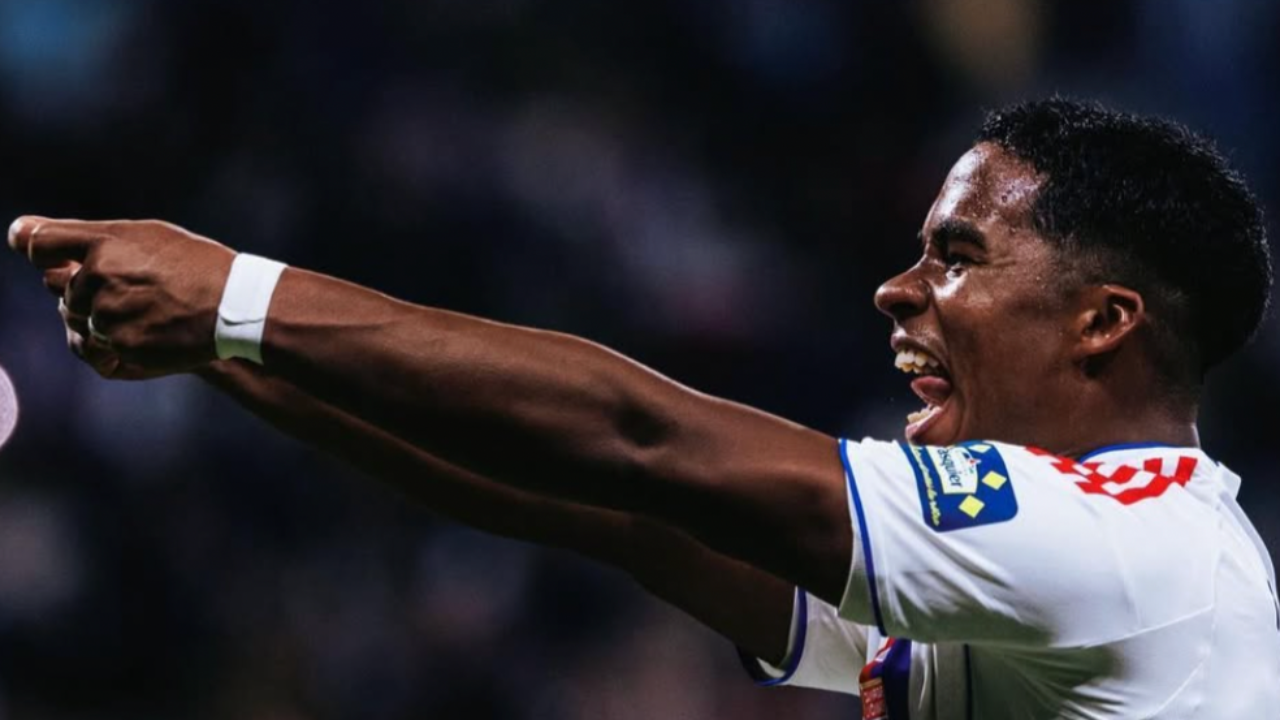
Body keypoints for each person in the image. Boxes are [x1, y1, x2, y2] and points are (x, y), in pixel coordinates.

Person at [10, 98, 1279, 719]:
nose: (897, 290)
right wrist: (225, 355)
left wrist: (240, 296)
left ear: (1101, 320)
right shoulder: (1026, 574)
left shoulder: (1134, 545)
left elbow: (640, 439)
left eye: (955, 257)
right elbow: (610, 504)